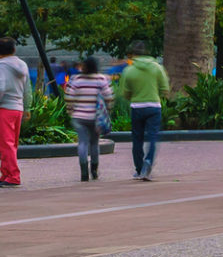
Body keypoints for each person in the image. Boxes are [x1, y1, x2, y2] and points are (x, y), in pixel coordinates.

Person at [118, 41, 171, 181]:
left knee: (137, 139)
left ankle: (139, 168)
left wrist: (134, 95)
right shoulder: (157, 68)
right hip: (154, 106)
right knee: (153, 136)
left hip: (137, 107)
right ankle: (149, 161)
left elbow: (124, 93)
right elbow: (165, 88)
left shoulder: (129, 70)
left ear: (134, 55)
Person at [0, 36, 29, 187]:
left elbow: (0, 87)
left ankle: (12, 176)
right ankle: (5, 174)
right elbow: (26, 89)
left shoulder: (0, 66)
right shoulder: (22, 65)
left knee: (5, 144)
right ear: (14, 49)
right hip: (18, 107)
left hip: (4, 108)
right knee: (12, 144)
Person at [64, 54, 113, 183]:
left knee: (82, 142)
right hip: (95, 118)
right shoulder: (101, 79)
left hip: (79, 117)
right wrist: (108, 110)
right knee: (94, 143)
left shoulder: (76, 79)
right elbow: (108, 97)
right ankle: (94, 170)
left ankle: (83, 171)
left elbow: (68, 97)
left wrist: (71, 110)